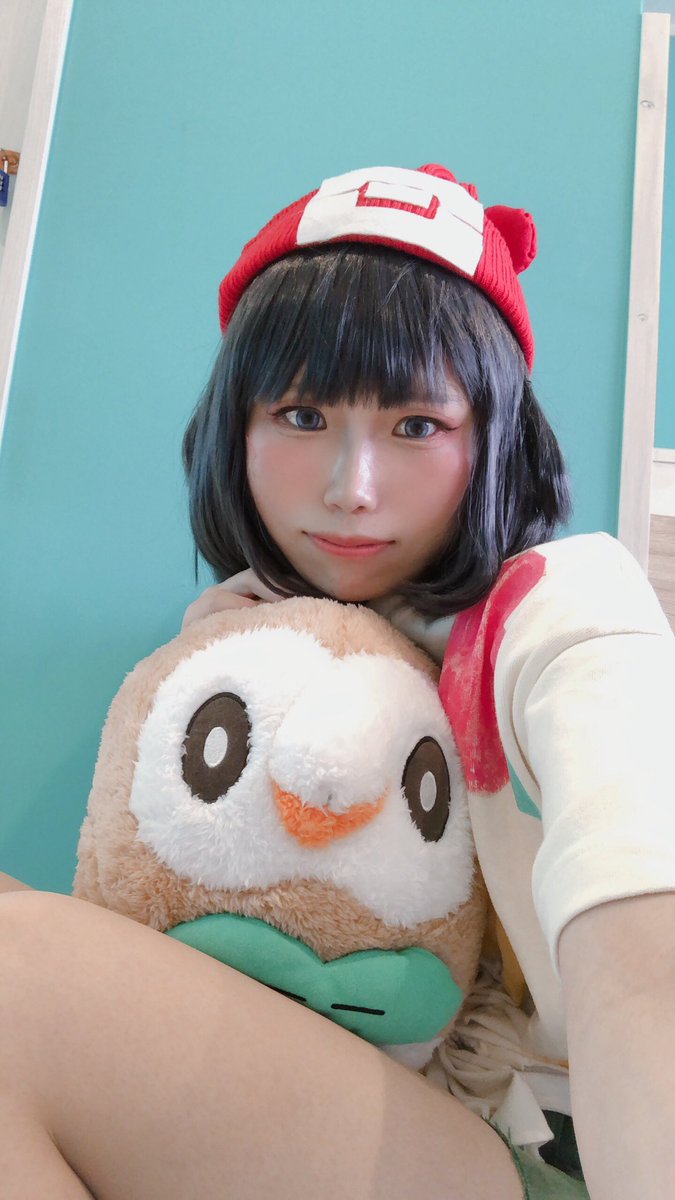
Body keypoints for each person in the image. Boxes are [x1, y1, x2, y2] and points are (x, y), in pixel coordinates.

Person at [0, 163, 673, 1200]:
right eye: (303, 415)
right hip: (361, 1117)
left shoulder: (565, 614)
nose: (352, 490)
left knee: (19, 975)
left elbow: (644, 960)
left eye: (417, 426)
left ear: (496, 439)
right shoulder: (262, 637)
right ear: (235, 427)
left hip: (524, 1149)